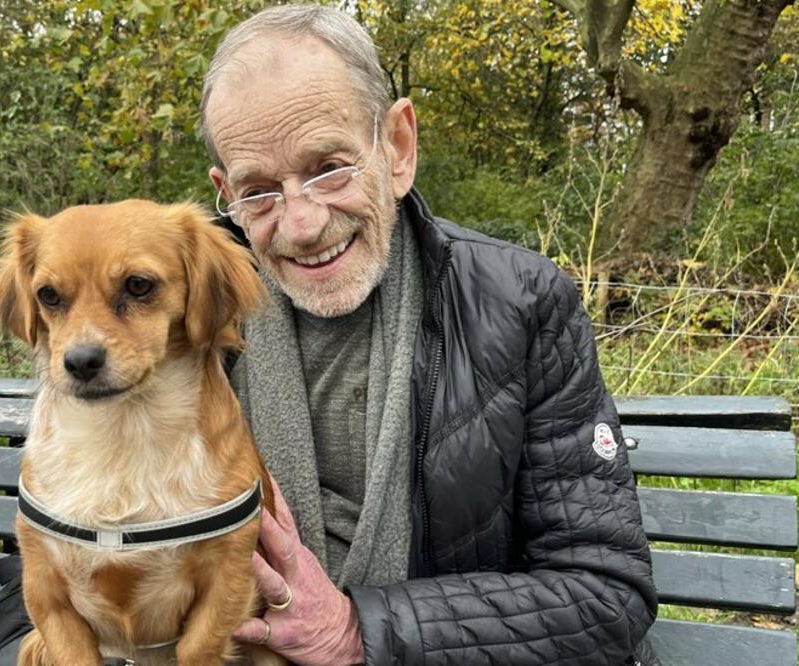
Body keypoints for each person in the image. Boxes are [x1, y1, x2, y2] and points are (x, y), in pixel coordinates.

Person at [201, 4, 659, 665]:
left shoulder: (518, 303)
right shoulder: (173, 316)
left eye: (329, 166)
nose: (300, 224)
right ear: (226, 193)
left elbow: (605, 591)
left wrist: (359, 632)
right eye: (260, 191)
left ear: (399, 147)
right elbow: (61, 571)